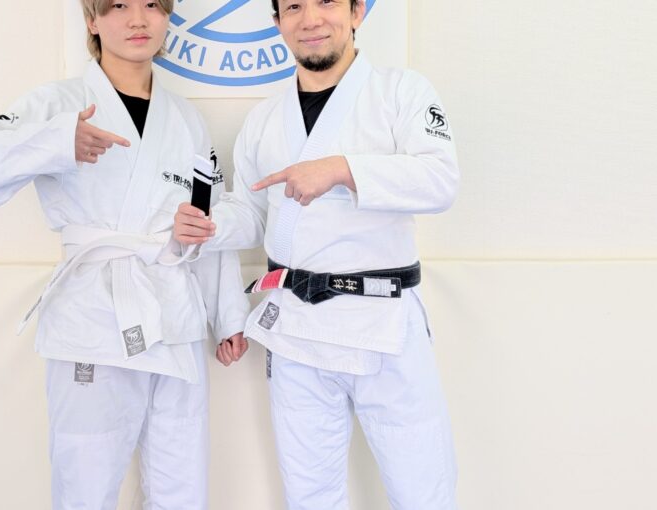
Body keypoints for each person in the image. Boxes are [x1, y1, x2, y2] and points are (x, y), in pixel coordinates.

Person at [0, 1, 249, 508]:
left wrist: (227, 315)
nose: (137, 20)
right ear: (92, 20)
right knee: (85, 487)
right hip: (92, 321)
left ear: (168, 16)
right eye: (118, 6)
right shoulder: (60, 102)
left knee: (183, 488)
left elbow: (206, 217)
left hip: (175, 319)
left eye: (152, 5)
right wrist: (56, 140)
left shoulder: (186, 120)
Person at [174, 1, 460, 508]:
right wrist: (210, 227)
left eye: (326, 1)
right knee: (309, 494)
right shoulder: (265, 119)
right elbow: (253, 213)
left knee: (423, 488)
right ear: (277, 22)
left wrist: (343, 169)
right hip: (296, 327)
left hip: (383, 322)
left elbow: (440, 181)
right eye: (293, 7)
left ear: (356, 11)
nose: (310, 19)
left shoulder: (401, 92)